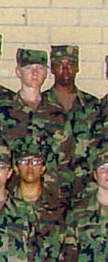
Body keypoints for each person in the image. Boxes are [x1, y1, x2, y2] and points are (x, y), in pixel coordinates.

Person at [0, 49, 73, 203]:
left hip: (48, 197)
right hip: (9, 196)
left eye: (40, 68)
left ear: (46, 73)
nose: (34, 73)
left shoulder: (57, 114)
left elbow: (66, 158)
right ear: (18, 72)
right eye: (28, 68)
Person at [46, 45, 102, 184]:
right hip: (49, 183)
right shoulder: (41, 103)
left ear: (77, 68)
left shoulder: (93, 105)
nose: (65, 70)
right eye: (59, 65)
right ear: (52, 69)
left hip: (85, 184)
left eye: (70, 65)